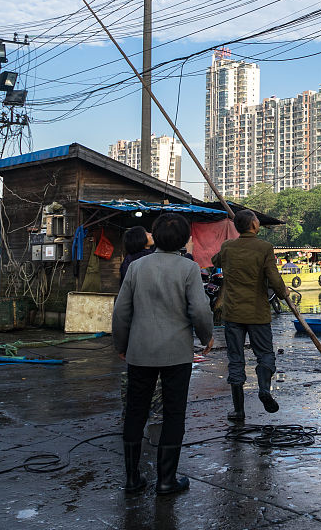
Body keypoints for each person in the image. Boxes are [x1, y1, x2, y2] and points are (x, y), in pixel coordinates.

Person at [113, 212, 215, 496]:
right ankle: (166, 481)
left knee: (136, 412)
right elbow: (200, 310)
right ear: (184, 240)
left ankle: (132, 479)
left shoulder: (136, 267)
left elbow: (121, 311)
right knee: (173, 414)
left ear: (154, 237)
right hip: (176, 353)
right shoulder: (188, 268)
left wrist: (120, 345)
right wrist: (206, 337)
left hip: (140, 351)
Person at [213, 210, 290, 424]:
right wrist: (284, 294)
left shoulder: (228, 247)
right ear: (254, 226)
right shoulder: (264, 247)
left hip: (233, 313)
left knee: (236, 360)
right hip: (257, 313)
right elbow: (273, 277)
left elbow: (215, 260)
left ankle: (238, 411)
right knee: (265, 355)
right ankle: (264, 389)